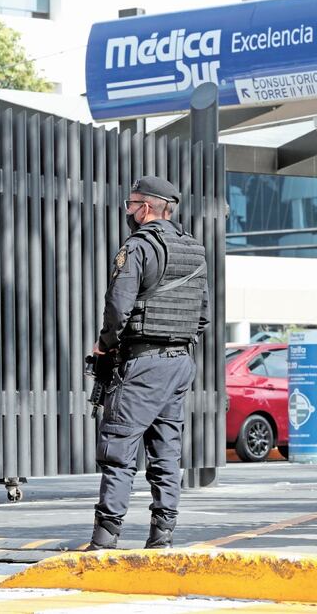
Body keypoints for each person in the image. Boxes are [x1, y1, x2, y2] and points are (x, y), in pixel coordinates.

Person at [86, 177, 209, 551]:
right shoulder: (195, 250)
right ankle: (162, 536)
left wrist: (105, 346)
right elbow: (202, 317)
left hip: (142, 363)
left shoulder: (137, 247)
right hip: (180, 363)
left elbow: (118, 306)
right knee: (166, 450)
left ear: (147, 207)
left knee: (118, 448)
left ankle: (105, 539)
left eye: (131, 203)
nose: (127, 210)